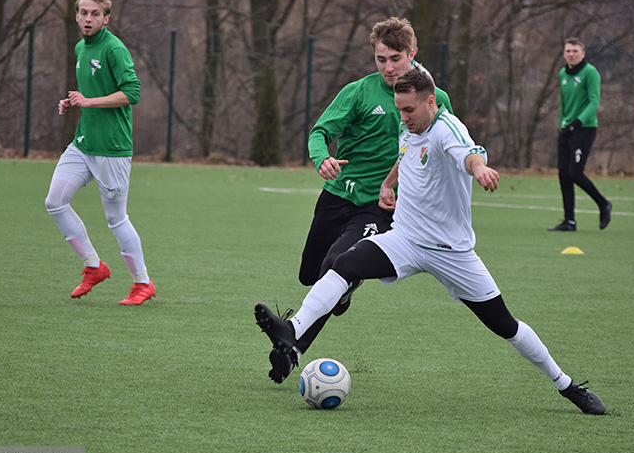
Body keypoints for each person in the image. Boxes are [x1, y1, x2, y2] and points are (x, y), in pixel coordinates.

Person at [255, 68, 606, 415]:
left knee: (505, 325)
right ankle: (293, 331)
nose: (403, 117)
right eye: (399, 110)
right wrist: (389, 183)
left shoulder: (446, 129)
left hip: (451, 253)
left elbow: (466, 152)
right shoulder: (409, 128)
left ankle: (567, 385)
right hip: (405, 240)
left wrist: (479, 168)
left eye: (409, 110)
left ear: (431, 101)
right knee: (343, 264)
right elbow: (406, 153)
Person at [276, 17, 453, 383]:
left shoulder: (433, 98)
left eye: (396, 58)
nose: (388, 67)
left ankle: (292, 349)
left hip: (382, 204)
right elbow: (320, 131)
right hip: (338, 196)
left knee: (332, 266)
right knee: (310, 273)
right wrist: (321, 157)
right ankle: (343, 292)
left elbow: (447, 146)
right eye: (381, 59)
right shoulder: (358, 91)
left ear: (412, 54)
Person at [44, 0, 155, 305]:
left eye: (95, 13)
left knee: (116, 219)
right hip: (83, 144)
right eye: (83, 12)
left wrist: (89, 101)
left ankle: (142, 283)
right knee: (55, 201)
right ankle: (94, 266)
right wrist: (73, 102)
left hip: (112, 148)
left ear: (106, 18)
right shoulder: (81, 47)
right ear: (76, 15)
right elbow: (91, 90)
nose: (88, 18)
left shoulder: (114, 49)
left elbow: (132, 92)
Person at [548, 37, 612, 232]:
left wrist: (577, 123)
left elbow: (594, 102)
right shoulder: (562, 74)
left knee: (575, 172)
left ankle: (603, 204)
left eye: (575, 51)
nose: (571, 54)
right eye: (568, 51)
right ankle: (569, 222)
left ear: (582, 54)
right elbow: (566, 104)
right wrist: (563, 125)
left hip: (584, 129)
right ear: (564, 54)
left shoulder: (590, 72)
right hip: (566, 130)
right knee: (563, 175)